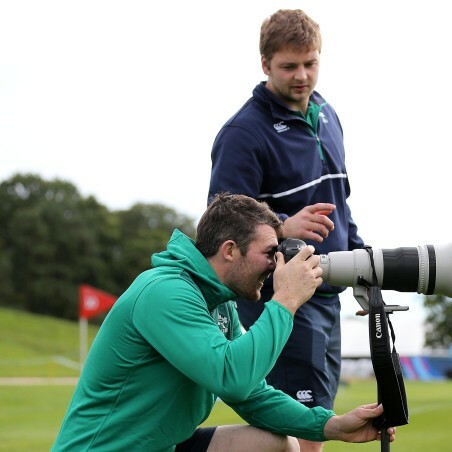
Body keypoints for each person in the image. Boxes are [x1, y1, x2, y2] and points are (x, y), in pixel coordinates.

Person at [52, 193, 394, 451]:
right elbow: (231, 378)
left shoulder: (219, 301)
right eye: (269, 253)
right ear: (230, 250)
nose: (277, 265)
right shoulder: (165, 291)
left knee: (278, 445)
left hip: (163, 446)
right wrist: (286, 299)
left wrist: (331, 425)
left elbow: (251, 394)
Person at [208, 9, 364, 452]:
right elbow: (219, 228)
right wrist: (281, 226)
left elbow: (342, 203)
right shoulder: (243, 132)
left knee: (313, 425)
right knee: (302, 433)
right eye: (289, 66)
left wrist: (362, 260)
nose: (302, 75)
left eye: (310, 63)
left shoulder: (327, 115)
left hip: (328, 291)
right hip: (280, 299)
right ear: (265, 65)